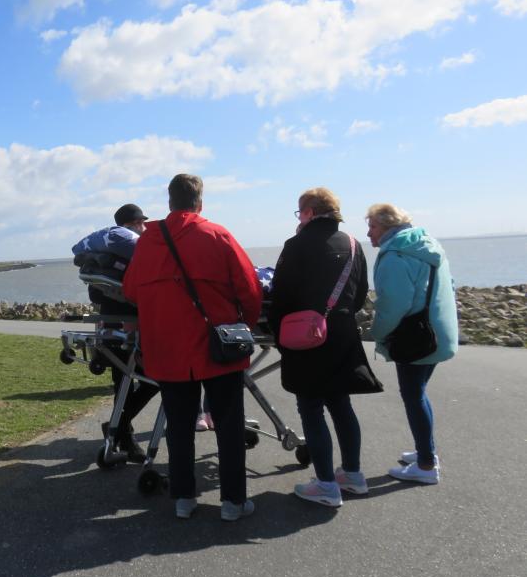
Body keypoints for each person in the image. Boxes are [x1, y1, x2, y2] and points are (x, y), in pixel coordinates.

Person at [123, 174, 262, 521]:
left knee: (179, 428)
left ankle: (183, 498)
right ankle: (233, 503)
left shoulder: (148, 242)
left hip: (167, 352)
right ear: (200, 202)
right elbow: (250, 288)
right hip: (219, 351)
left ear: (169, 202)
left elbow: (130, 291)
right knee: (229, 428)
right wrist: (248, 323)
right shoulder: (217, 235)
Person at [269, 187, 378, 508]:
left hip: (306, 336)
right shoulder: (354, 245)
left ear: (309, 212)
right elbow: (359, 295)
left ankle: (326, 485)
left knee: (311, 408)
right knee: (341, 405)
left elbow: (281, 296)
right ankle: (354, 476)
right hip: (342, 333)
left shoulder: (296, 245)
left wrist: (280, 335)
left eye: (299, 212)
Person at [367, 203, 458, 485]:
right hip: (437, 332)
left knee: (413, 395)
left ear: (387, 226)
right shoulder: (428, 245)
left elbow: (393, 306)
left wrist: (377, 333)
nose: (368, 233)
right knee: (418, 393)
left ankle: (427, 465)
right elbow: (449, 285)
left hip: (415, 338)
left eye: (372, 226)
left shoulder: (395, 256)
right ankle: (425, 452)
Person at [72, 203, 158, 462]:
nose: (144, 228)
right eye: (140, 224)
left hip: (111, 332)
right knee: (148, 378)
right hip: (127, 331)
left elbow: (96, 295)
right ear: (130, 226)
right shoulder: (125, 258)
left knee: (123, 384)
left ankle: (120, 431)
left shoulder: (105, 261)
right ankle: (121, 430)